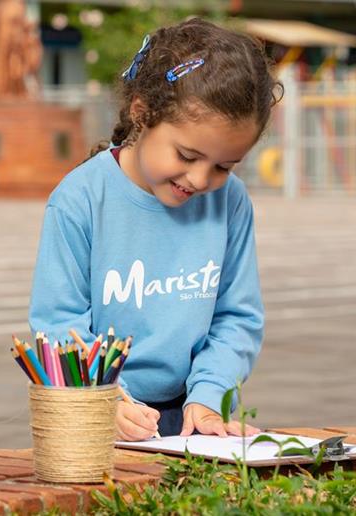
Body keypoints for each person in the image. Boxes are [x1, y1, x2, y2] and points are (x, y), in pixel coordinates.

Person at [28, 18, 281, 442]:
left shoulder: (230, 201)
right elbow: (57, 324)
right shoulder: (80, 199)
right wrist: (102, 398)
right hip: (101, 415)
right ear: (142, 114)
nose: (201, 180)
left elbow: (237, 317)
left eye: (224, 166)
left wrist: (210, 394)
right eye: (187, 155)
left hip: (191, 417)